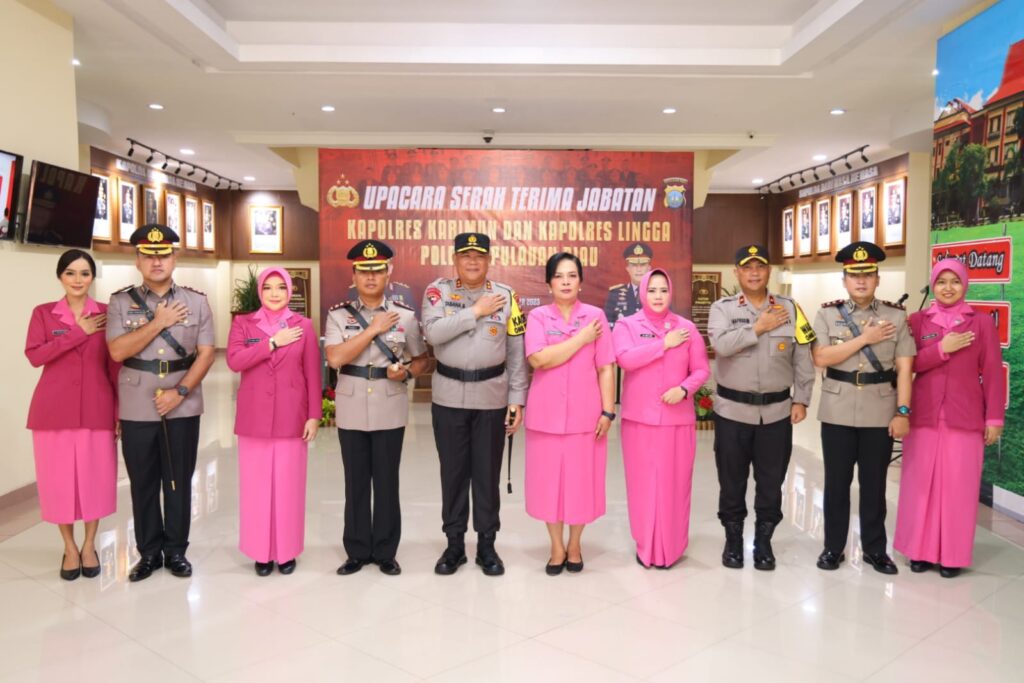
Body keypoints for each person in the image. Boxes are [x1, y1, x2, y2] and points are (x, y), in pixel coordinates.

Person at [107, 224, 216, 581]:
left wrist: (180, 392)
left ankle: (176, 551)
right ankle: (149, 553)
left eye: (164, 254)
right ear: (137, 260)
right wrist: (159, 323)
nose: (157, 261)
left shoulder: (196, 301)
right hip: (137, 402)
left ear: (175, 258)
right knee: (143, 481)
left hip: (183, 402)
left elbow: (206, 353)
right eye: (149, 255)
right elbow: (117, 350)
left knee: (179, 479)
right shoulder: (120, 302)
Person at [422, 232, 528, 576]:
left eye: (479, 256)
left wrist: (517, 400)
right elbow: (433, 334)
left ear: (489, 260)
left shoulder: (506, 296)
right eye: (465, 255)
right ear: (455, 259)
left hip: (491, 398)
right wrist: (475, 312)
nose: (472, 261)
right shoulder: (438, 292)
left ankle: (486, 545)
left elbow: (516, 352)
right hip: (448, 396)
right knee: (452, 474)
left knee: (486, 474)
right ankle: (454, 545)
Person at [894, 259, 1005, 578]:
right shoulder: (917, 321)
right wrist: (942, 348)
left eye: (954, 281)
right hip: (924, 415)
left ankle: (952, 556)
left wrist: (994, 418)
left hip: (965, 417)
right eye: (941, 281)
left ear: (964, 284)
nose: (948, 288)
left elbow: (993, 373)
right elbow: (908, 365)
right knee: (920, 485)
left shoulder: (980, 323)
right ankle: (918, 551)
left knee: (958, 487)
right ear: (933, 285)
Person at [708, 244, 815, 571]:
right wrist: (758, 327)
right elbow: (721, 345)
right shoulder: (722, 309)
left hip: (777, 413)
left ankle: (764, 541)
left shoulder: (791, 308)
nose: (754, 273)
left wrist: (802, 398)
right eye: (747, 267)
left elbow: (803, 356)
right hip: (732, 412)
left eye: (760, 267)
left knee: (771, 481)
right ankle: (733, 540)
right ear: (736, 272)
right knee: (732, 480)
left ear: (769, 271)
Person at [326, 240, 428, 576]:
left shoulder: (405, 316)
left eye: (377, 270)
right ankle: (356, 551)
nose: (371, 277)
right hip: (352, 406)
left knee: (386, 482)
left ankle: (385, 551)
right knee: (355, 482)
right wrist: (372, 330)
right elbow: (335, 358)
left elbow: (421, 360)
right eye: (364, 271)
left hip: (389, 405)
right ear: (353, 275)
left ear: (389, 273)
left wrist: (406, 372)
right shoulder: (338, 315)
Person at [811, 241, 914, 574]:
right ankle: (833, 547)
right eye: (854, 275)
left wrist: (902, 412)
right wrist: (864, 340)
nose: (861, 281)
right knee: (836, 483)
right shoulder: (827, 314)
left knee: (874, 485)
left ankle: (875, 549)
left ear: (877, 279)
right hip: (837, 409)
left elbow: (905, 369)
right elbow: (821, 358)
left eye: (867, 274)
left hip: (879, 410)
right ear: (844, 280)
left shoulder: (895, 316)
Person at [25, 249, 119, 581]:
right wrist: (78, 332)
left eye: (84, 273)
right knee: (59, 482)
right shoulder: (43, 314)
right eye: (70, 273)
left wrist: (118, 412)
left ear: (92, 277)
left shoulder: (107, 314)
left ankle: (89, 544)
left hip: (97, 407)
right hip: (53, 411)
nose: (78, 280)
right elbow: (35, 356)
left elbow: (115, 365)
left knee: (96, 478)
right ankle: (68, 547)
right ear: (60, 276)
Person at [524, 253, 615, 575]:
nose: (565, 281)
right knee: (548, 485)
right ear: (549, 283)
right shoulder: (538, 317)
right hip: (545, 417)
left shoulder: (595, 317)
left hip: (585, 417)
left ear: (580, 282)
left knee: (580, 485)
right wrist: (580, 339)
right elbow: (539, 359)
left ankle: (575, 545)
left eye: (572, 275)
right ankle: (556, 546)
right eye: (559, 276)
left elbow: (606, 367)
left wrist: (608, 411)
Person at [226, 267, 321, 576]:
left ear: (290, 291)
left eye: (281, 287)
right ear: (260, 291)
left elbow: (312, 373)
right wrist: (271, 343)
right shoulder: (243, 323)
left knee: (289, 487)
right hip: (254, 418)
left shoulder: (303, 325)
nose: (275, 293)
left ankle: (287, 550)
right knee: (256, 489)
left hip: (292, 417)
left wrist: (314, 415)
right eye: (268, 287)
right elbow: (234, 361)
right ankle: (261, 552)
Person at [613, 268, 709, 568]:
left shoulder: (686, 328)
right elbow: (625, 359)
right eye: (652, 290)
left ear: (671, 293)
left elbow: (701, 369)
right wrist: (664, 344)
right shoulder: (627, 325)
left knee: (674, 485)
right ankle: (645, 546)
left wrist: (684, 389)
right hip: (639, 421)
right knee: (642, 485)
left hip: (676, 421)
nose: (658, 296)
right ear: (643, 292)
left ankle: (672, 548)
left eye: (663, 290)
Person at [604, 242, 653, 326]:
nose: (639, 269)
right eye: (634, 265)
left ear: (649, 268)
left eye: (642, 265)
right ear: (627, 268)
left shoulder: (658, 293)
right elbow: (607, 325)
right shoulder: (615, 294)